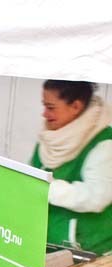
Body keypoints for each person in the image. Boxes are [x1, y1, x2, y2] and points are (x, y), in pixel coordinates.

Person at [30, 80, 112, 255]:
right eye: (44, 105)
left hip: (87, 251)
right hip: (47, 245)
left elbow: (96, 196)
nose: (44, 114)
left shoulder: (104, 144)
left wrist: (45, 187)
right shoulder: (50, 135)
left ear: (75, 106)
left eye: (51, 107)